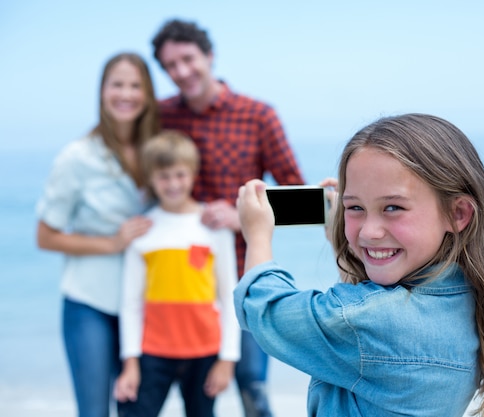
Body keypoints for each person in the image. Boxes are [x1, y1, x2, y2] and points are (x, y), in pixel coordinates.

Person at [235, 113, 484, 416]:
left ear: (458, 214)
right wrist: (341, 243)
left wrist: (257, 234)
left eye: (392, 207)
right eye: (355, 207)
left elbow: (264, 310)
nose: (368, 231)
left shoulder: (369, 320)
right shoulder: (467, 296)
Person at [150, 18, 305, 417]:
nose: (181, 72)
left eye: (188, 59)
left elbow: (303, 202)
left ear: (209, 55)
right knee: (197, 396)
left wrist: (241, 215)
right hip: (185, 284)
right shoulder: (161, 117)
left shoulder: (257, 116)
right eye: (170, 66)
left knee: (251, 383)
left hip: (243, 274)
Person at [36, 52, 160, 417]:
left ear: (148, 93)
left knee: (137, 411)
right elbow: (45, 236)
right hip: (90, 303)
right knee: (93, 411)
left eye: (135, 85)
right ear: (102, 91)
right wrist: (112, 243)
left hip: (144, 304)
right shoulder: (77, 157)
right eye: (117, 84)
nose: (126, 94)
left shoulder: (157, 150)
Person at [114, 131, 240, 417]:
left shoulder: (213, 226)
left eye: (179, 175)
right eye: (164, 176)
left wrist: (228, 359)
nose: (172, 184)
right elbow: (131, 303)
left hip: (205, 352)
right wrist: (130, 362)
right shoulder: (143, 231)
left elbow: (227, 295)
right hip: (153, 352)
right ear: (151, 179)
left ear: (193, 173)